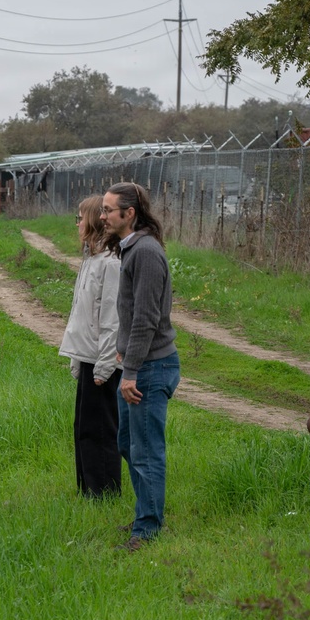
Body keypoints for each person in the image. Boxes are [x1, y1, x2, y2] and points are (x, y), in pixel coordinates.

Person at [101, 182, 180, 552]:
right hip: (137, 365)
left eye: (108, 210)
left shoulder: (145, 252)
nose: (102, 216)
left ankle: (147, 531)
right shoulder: (132, 249)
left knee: (146, 450)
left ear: (128, 213)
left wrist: (130, 370)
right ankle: (145, 514)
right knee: (127, 443)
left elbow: (147, 319)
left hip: (150, 368)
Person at [59, 195, 123, 499]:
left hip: (102, 361)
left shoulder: (111, 265)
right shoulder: (90, 261)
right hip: (87, 357)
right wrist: (76, 356)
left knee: (100, 429)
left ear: (95, 222)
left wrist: (106, 363)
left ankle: (105, 494)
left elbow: (112, 318)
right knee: (83, 427)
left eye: (80, 217)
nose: (77, 223)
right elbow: (80, 314)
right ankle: (87, 490)